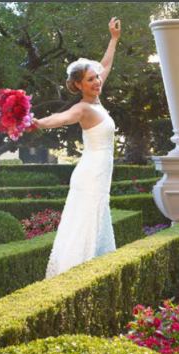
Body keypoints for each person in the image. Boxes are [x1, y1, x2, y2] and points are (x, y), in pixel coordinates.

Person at [32, 17, 121, 278]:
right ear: (79, 85)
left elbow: (105, 65)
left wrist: (114, 39)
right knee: (85, 223)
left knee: (96, 219)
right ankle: (77, 274)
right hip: (91, 175)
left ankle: (96, 272)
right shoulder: (82, 108)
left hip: (99, 174)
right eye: (91, 79)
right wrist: (37, 123)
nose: (97, 81)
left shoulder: (96, 100)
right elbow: (60, 119)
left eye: (96, 78)